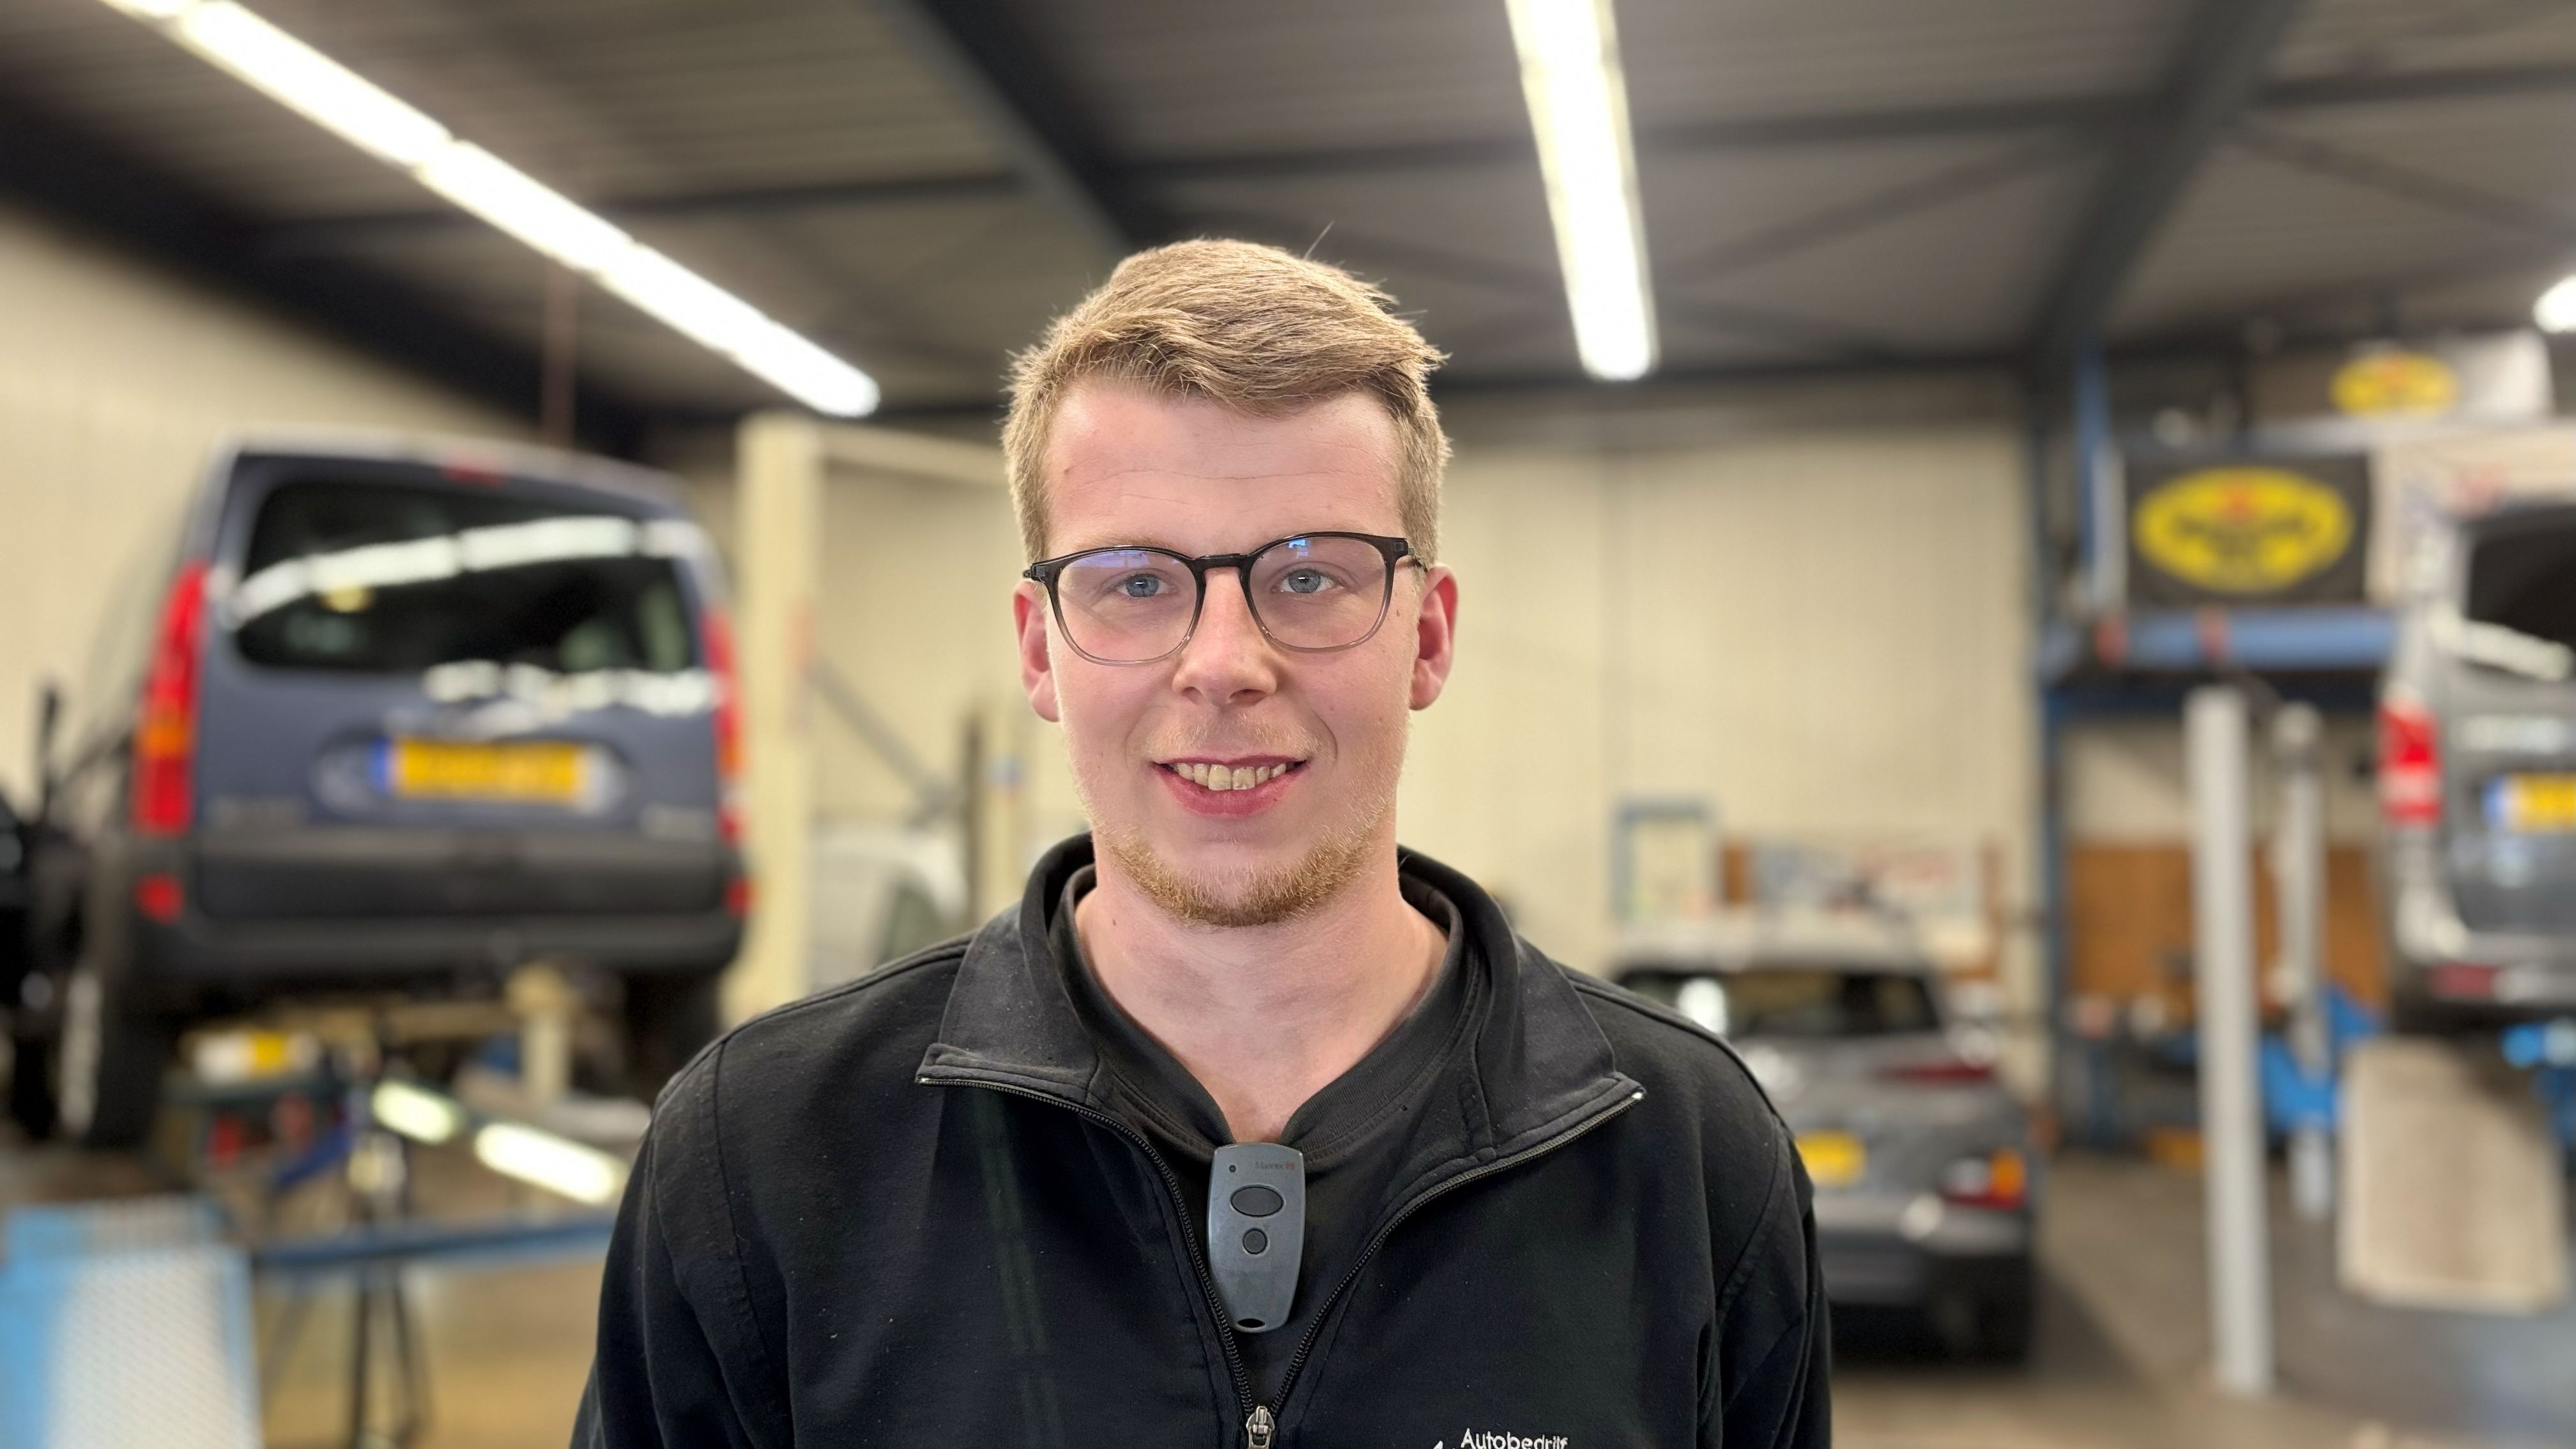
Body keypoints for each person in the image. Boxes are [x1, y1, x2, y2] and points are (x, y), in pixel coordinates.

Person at [574, 239, 1829, 1448]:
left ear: (1429, 636)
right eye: (1135, 581)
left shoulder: (1686, 1156)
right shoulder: (762, 1155)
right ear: (1039, 650)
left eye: (1311, 576)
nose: (1225, 664)